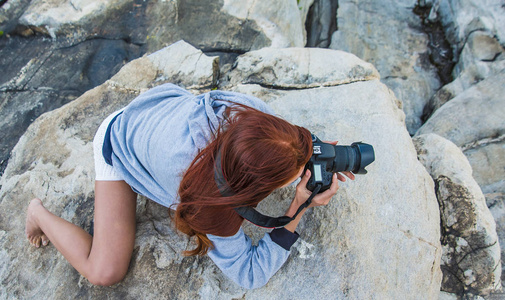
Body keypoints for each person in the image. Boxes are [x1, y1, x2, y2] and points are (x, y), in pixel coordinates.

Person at [25, 83, 354, 289]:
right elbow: (249, 274)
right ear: (250, 187)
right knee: (104, 271)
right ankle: (37, 212)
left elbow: (284, 142)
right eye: (294, 173)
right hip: (119, 140)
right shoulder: (208, 199)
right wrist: (298, 207)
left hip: (157, 115)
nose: (300, 173)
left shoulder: (254, 117)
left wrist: (312, 148)